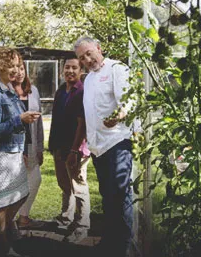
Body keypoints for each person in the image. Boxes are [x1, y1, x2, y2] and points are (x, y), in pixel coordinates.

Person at [74, 36, 134, 256]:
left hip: (117, 143)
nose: (87, 59)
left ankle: (123, 247)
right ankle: (109, 242)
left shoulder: (117, 69)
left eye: (89, 53)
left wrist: (119, 115)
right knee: (107, 197)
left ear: (99, 48)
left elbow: (128, 100)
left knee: (120, 195)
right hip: (98, 148)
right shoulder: (88, 79)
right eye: (82, 58)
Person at [0, 47, 41, 257]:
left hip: (12, 153)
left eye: (18, 65)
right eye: (12, 65)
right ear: (0, 65)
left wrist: (21, 120)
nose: (17, 69)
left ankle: (2, 234)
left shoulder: (6, 88)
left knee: (20, 195)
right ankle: (1, 248)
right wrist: (20, 120)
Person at [48, 54, 91, 243]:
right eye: (67, 67)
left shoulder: (83, 92)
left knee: (79, 187)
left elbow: (82, 124)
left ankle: (82, 226)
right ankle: (66, 218)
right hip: (60, 146)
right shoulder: (61, 91)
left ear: (81, 71)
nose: (70, 71)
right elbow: (56, 121)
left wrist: (76, 150)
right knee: (64, 185)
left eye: (74, 68)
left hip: (77, 148)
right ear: (62, 70)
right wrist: (53, 145)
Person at [12, 56, 45, 229]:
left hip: (31, 144)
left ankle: (23, 216)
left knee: (36, 179)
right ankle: (11, 220)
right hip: (13, 147)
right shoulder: (6, 93)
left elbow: (39, 122)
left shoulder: (34, 91)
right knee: (15, 183)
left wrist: (40, 147)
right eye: (16, 69)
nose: (19, 73)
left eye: (22, 69)